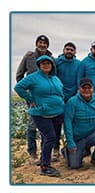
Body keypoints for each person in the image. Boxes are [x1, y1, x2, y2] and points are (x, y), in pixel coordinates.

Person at [14, 54, 64, 177]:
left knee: (47, 138)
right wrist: (30, 99)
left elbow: (60, 93)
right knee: (50, 137)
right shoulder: (33, 77)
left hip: (56, 112)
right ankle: (45, 167)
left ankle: (43, 160)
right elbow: (18, 87)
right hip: (41, 113)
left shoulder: (55, 78)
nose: (46, 65)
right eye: (43, 64)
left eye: (48, 63)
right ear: (39, 65)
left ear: (52, 65)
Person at [15, 34, 55, 164]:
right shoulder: (29, 57)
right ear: (36, 44)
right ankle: (32, 153)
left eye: (44, 43)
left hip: (47, 99)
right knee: (32, 123)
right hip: (33, 98)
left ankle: (45, 153)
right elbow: (19, 76)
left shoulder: (52, 59)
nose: (42, 45)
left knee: (46, 124)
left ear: (47, 45)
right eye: (40, 43)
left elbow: (54, 76)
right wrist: (28, 94)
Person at [63, 77, 95, 169]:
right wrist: (70, 141)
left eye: (89, 88)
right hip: (78, 137)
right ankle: (68, 151)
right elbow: (67, 123)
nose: (87, 90)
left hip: (93, 134)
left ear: (93, 89)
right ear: (79, 89)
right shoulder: (72, 102)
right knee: (75, 165)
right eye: (84, 88)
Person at [55, 42, 81, 157]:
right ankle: (55, 149)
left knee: (73, 124)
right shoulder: (56, 62)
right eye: (67, 49)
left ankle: (71, 147)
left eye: (72, 50)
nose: (69, 51)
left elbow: (79, 80)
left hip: (73, 98)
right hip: (60, 99)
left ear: (75, 52)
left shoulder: (78, 64)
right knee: (57, 124)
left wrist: (76, 95)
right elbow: (53, 78)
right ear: (63, 50)